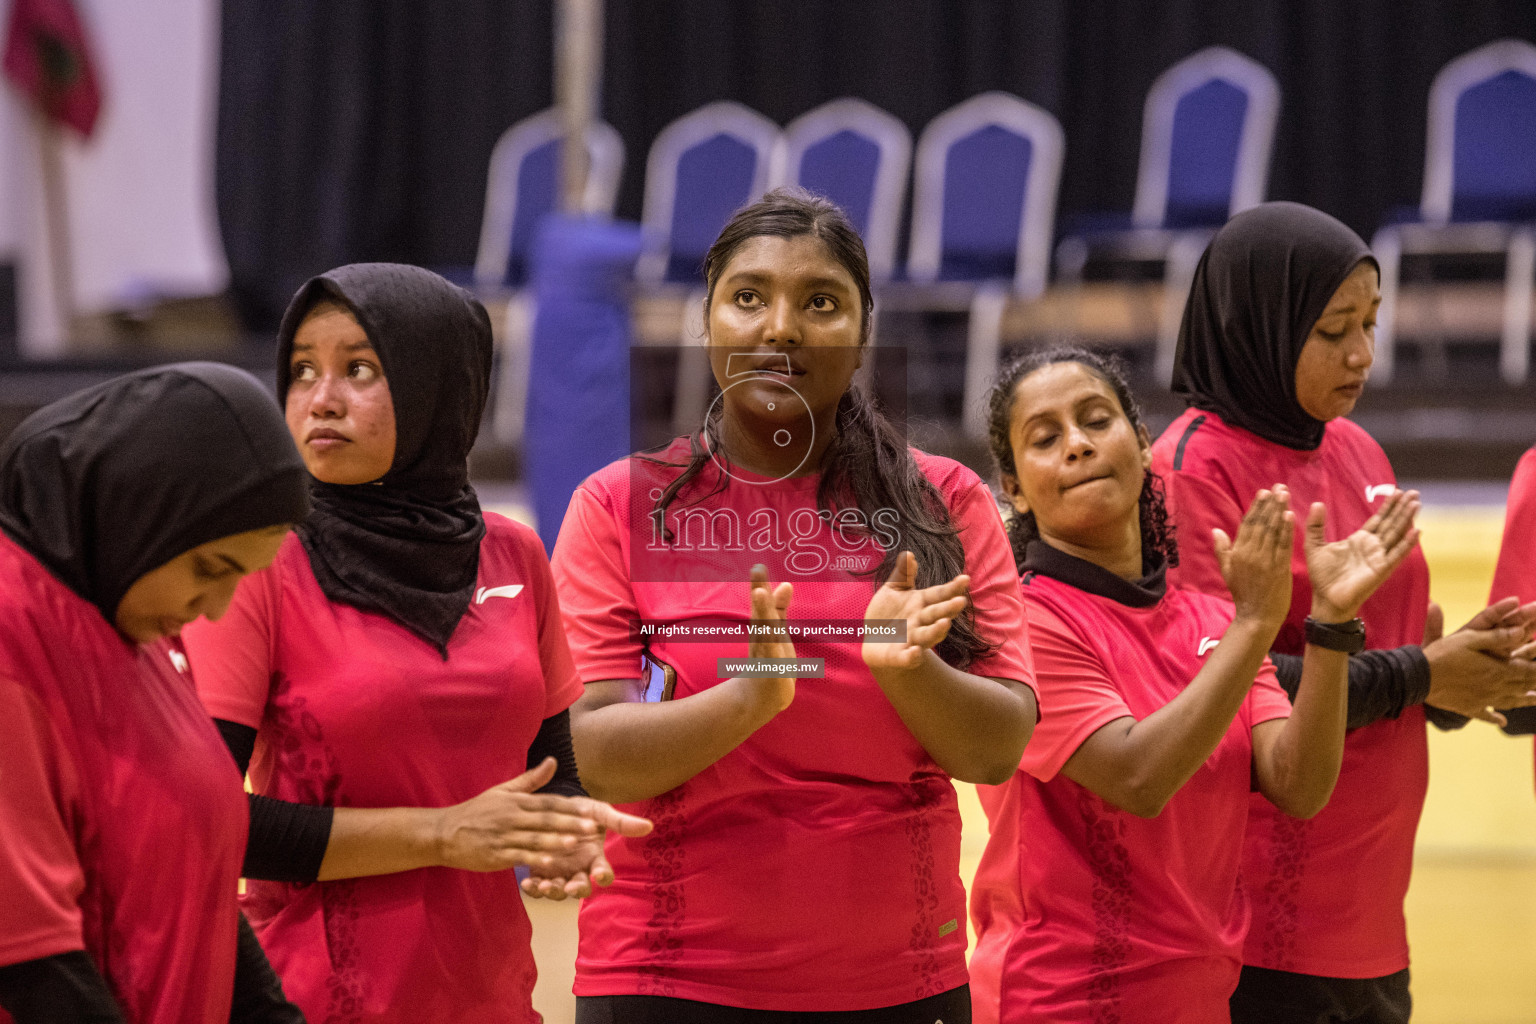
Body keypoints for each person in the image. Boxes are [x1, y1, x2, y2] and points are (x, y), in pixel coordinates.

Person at [551, 188, 1038, 1023]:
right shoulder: (614, 505)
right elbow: (594, 751)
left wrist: (910, 668)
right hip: (665, 980)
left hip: (896, 983)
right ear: (708, 324)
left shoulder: (943, 501)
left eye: (820, 303)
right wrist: (748, 697)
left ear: (860, 337)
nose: (780, 327)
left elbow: (997, 750)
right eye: (749, 298)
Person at [180, 264, 651, 1024]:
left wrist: (566, 830)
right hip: (314, 1001)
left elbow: (553, 769)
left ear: (441, 385)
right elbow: (207, 828)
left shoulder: (513, 552)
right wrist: (440, 834)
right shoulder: (257, 563)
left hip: (493, 997)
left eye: (358, 369)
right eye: (301, 370)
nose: (320, 399)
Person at [1149, 201, 1536, 1023]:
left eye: (1372, 322)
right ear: (1260, 321)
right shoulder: (1189, 470)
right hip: (1256, 909)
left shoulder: (1354, 445)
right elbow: (1214, 683)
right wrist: (1420, 674)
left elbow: (1384, 655)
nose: (1363, 353)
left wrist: (1463, 673)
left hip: (1370, 902)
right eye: (1332, 330)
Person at [969, 346, 1419, 1023]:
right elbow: (1138, 777)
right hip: (1059, 1000)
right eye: (1045, 437)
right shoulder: (1025, 620)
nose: (1078, 446)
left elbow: (1297, 784)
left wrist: (1329, 625)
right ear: (1013, 486)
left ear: (1142, 442)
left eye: (1097, 421)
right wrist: (1256, 625)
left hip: (1200, 1000)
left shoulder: (1209, 617)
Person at [0, 363, 309, 1023]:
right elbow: (30, 964)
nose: (218, 608)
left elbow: (195, 891)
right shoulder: (12, 629)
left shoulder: (130, 632)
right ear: (138, 511)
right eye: (208, 569)